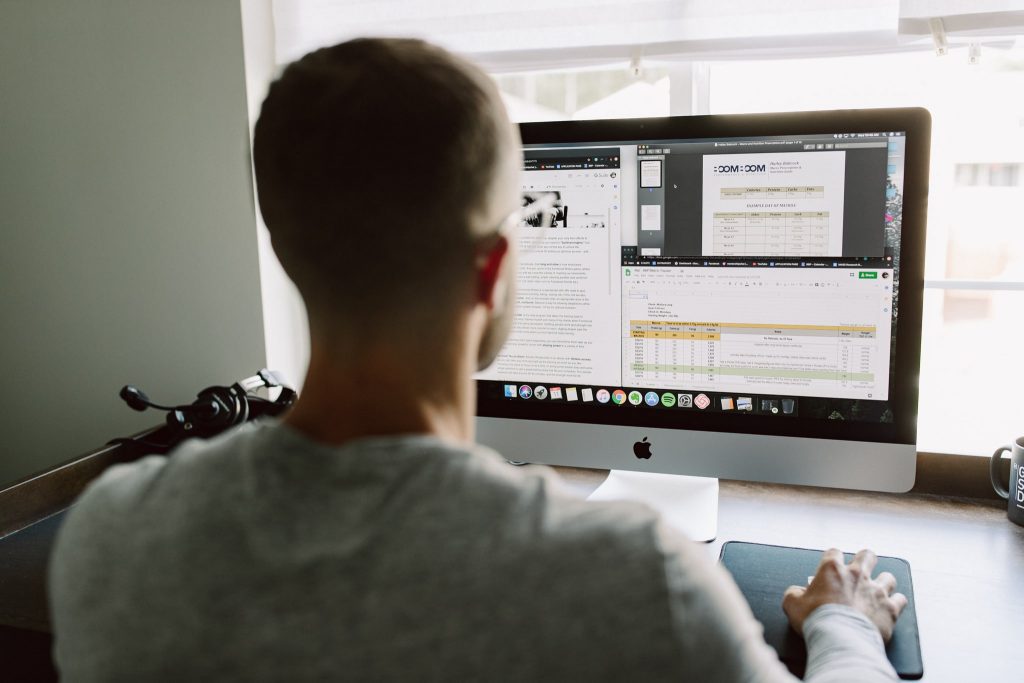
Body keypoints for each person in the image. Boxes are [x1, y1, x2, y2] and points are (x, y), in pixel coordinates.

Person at [48, 38, 906, 682]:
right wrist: (845, 624)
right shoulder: (634, 586)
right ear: (491, 270)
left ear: (287, 244)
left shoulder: (112, 536)